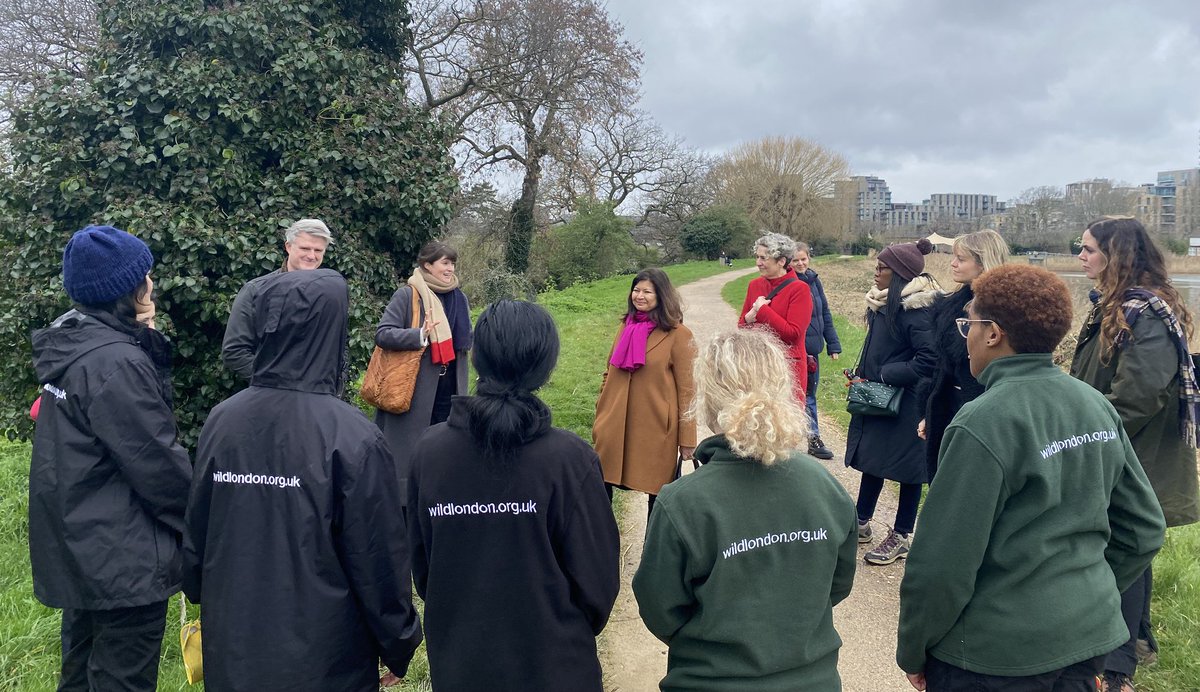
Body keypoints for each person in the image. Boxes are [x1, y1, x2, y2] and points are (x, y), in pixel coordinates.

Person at [898, 264, 1166, 692]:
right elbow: (1145, 529)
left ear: (993, 334)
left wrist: (913, 648)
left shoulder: (983, 422)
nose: (964, 334)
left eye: (969, 323)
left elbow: (941, 565)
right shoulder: (1094, 404)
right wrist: (1084, 594)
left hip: (992, 658)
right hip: (1084, 639)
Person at [184, 269, 423, 691]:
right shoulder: (354, 436)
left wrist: (200, 592)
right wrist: (399, 643)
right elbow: (378, 558)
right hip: (327, 661)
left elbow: (198, 536)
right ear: (330, 331)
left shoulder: (223, 420)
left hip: (234, 649)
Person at [407, 300, 619, 691]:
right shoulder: (571, 460)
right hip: (557, 667)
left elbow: (424, 568)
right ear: (545, 365)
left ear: (478, 358)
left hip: (461, 665)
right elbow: (599, 584)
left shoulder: (428, 452)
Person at [633, 328, 857, 691]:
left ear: (707, 401)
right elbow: (838, 582)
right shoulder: (824, 485)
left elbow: (660, 606)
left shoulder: (682, 502)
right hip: (814, 682)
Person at [29, 224, 191, 691]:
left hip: (82, 542)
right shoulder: (115, 363)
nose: (152, 283)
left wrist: (146, 338)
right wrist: (203, 522)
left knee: (80, 672)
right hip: (123, 557)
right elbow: (155, 462)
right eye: (145, 275)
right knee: (121, 679)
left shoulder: (77, 342)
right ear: (128, 289)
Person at [1069, 216, 1200, 692]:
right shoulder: (1113, 307)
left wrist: (1080, 438)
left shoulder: (1146, 312)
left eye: (1087, 249)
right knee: (1118, 554)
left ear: (1116, 254)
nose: (1079, 256)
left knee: (1124, 554)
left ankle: (1118, 669)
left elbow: (1138, 397)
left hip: (1134, 463)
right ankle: (1122, 651)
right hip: (1115, 455)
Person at [845, 239, 938, 565]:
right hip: (883, 399)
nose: (876, 272)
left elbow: (929, 359)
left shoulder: (918, 311)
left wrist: (885, 373)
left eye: (882, 267)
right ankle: (860, 521)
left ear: (898, 273)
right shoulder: (884, 304)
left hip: (909, 404)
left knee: (909, 470)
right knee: (874, 459)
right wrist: (861, 373)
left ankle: (901, 534)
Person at [374, 240, 472, 507]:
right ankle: (404, 505)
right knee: (411, 451)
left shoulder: (458, 297)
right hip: (415, 390)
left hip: (450, 387)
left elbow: (464, 343)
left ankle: (441, 500)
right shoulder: (408, 295)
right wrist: (419, 335)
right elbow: (383, 333)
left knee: (445, 446)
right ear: (427, 265)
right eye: (444, 263)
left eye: (452, 263)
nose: (450, 268)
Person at [593, 268, 696, 518]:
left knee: (659, 500)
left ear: (661, 296)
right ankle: (603, 550)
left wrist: (688, 440)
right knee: (600, 491)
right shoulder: (624, 327)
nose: (639, 296)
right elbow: (609, 370)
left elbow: (687, 390)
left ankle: (654, 553)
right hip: (613, 424)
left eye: (647, 291)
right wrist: (602, 408)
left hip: (655, 428)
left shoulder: (679, 335)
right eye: (636, 290)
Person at [918, 229, 1008, 477]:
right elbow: (942, 366)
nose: (953, 263)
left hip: (985, 414)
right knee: (942, 482)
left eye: (961, 258)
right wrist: (930, 412)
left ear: (982, 262)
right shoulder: (951, 306)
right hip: (947, 408)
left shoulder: (1006, 311)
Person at [222, 218, 333, 379]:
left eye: (318, 250)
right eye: (305, 248)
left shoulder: (329, 294)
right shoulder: (256, 291)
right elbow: (234, 352)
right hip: (267, 397)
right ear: (288, 247)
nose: (311, 256)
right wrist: (276, 383)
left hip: (318, 395)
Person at [739, 232, 812, 404]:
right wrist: (749, 318)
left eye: (764, 258)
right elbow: (742, 328)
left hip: (787, 370)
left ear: (781, 261)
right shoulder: (754, 285)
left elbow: (793, 333)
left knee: (786, 423)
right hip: (758, 366)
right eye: (757, 257)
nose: (758, 263)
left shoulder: (799, 289)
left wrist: (763, 310)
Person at [793, 241, 842, 459]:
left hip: (813, 350)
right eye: (795, 260)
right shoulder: (789, 284)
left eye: (803, 259)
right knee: (792, 396)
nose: (801, 263)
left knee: (810, 396)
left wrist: (833, 344)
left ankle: (813, 439)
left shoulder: (814, 281)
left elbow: (825, 314)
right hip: (795, 350)